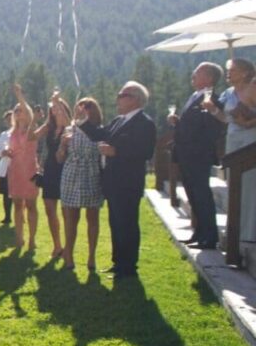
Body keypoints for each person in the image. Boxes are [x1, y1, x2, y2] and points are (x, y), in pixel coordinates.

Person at [100, 81, 157, 276]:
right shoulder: (118, 120)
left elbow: (146, 151)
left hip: (128, 182)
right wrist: (83, 122)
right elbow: (101, 134)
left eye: (122, 95)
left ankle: (129, 265)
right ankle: (118, 262)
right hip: (113, 180)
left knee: (128, 223)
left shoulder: (144, 123)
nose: (118, 98)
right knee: (115, 222)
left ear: (135, 99)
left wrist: (116, 151)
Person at [170, 62, 225, 250]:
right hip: (186, 154)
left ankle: (210, 237)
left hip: (198, 155)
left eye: (198, 72)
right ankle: (200, 232)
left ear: (209, 78)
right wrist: (178, 123)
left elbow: (212, 129)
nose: (193, 75)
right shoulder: (195, 96)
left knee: (202, 195)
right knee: (192, 195)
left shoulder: (212, 100)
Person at [58, 97, 106, 271]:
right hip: (71, 174)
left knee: (92, 217)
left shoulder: (100, 131)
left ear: (95, 110)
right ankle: (68, 255)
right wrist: (63, 146)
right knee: (72, 218)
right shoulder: (70, 130)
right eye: (80, 106)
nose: (84, 109)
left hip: (92, 174)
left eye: (88, 106)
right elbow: (59, 158)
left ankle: (92, 256)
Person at [213, 58, 256, 243]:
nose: (228, 73)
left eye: (233, 69)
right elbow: (226, 119)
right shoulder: (228, 92)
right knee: (235, 184)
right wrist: (213, 111)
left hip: (251, 140)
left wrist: (248, 122)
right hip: (233, 140)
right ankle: (237, 230)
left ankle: (250, 231)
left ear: (246, 72)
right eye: (228, 69)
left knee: (250, 185)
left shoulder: (253, 88)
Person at [5, 85, 41, 250]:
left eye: (21, 110)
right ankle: (19, 237)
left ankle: (32, 239)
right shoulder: (11, 133)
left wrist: (19, 95)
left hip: (30, 170)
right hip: (16, 171)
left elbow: (28, 110)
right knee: (18, 205)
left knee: (31, 205)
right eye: (16, 110)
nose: (19, 112)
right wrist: (7, 151)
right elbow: (11, 150)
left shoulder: (32, 129)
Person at [36, 94, 72, 258]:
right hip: (50, 169)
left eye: (58, 108)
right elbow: (32, 136)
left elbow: (66, 120)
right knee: (49, 209)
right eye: (53, 109)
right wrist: (34, 119)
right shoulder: (49, 127)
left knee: (66, 211)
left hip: (65, 169)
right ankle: (57, 245)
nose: (55, 111)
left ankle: (68, 247)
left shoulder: (70, 127)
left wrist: (57, 101)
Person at [0, 111, 13, 225]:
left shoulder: (21, 132)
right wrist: (3, 152)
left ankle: (20, 215)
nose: (10, 121)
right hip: (6, 167)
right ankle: (7, 216)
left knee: (19, 194)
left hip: (17, 166)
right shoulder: (4, 134)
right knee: (6, 193)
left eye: (11, 118)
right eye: (8, 119)